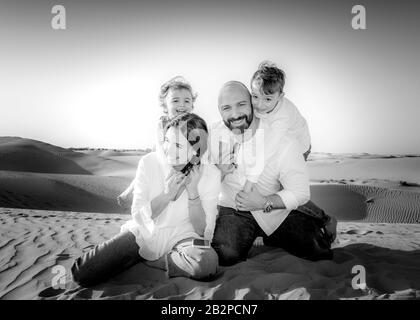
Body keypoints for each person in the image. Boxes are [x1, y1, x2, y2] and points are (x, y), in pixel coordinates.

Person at [72, 113, 221, 287]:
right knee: (82, 272)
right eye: (167, 141)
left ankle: (154, 261)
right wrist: (166, 196)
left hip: (185, 236)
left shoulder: (211, 174)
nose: (168, 150)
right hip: (146, 232)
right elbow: (138, 215)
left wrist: (193, 192)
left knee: (207, 263)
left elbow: (203, 231)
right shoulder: (149, 163)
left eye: (178, 145)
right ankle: (151, 256)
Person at [209, 81, 335, 266]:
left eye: (241, 104)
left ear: (252, 103)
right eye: (226, 108)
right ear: (220, 111)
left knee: (319, 251)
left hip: (276, 211)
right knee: (225, 256)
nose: (235, 114)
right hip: (234, 210)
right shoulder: (212, 136)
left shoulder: (281, 139)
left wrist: (264, 202)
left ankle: (311, 225)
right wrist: (218, 171)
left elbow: (300, 193)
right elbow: (196, 176)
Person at [117, 76, 197, 210]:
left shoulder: (194, 125)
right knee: (148, 162)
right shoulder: (162, 123)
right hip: (162, 158)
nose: (182, 105)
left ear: (192, 105)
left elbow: (198, 151)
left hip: (183, 162)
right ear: (165, 105)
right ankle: (128, 193)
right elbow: (160, 150)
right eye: (175, 100)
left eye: (187, 101)